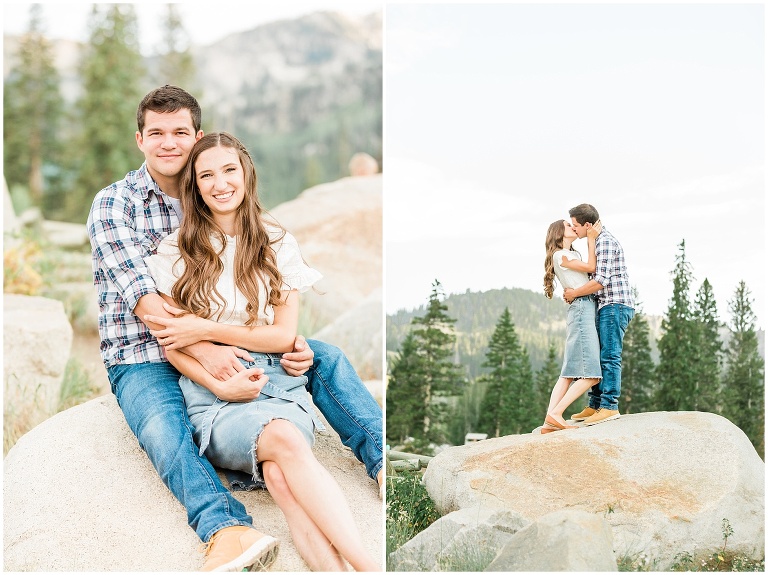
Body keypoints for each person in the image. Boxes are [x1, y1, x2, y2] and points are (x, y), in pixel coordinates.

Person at [87, 85, 383, 571]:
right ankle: (224, 527)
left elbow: (268, 308)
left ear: (196, 136)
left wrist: (286, 340)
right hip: (143, 352)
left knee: (323, 355)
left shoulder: (213, 197)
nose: (169, 143)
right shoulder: (116, 205)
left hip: (234, 345)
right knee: (165, 430)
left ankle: (380, 462)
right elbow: (146, 301)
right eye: (156, 133)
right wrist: (209, 358)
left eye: (180, 132)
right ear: (139, 139)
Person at [563, 204, 635, 426]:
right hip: (606, 305)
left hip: (615, 304)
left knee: (610, 355)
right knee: (598, 355)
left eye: (576, 225)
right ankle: (595, 404)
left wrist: (574, 293)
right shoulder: (597, 240)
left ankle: (609, 406)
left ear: (587, 224)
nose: (574, 229)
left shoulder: (604, 241)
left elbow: (600, 281)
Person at [540, 219, 602, 433]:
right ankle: (556, 414)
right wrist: (591, 240)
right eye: (568, 226)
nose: (573, 228)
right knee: (592, 375)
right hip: (582, 309)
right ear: (559, 233)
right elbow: (592, 267)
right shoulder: (561, 255)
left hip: (580, 308)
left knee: (567, 374)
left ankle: (549, 421)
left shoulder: (569, 255)